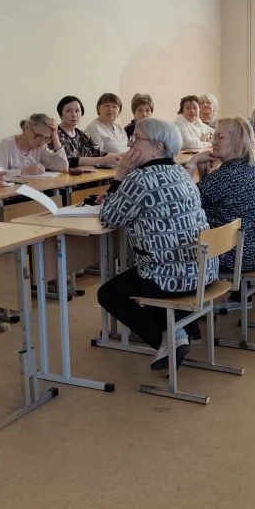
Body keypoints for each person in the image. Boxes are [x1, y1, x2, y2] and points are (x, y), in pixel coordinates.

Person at [97, 118, 215, 371]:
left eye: (136, 139)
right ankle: (183, 328)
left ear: (157, 148)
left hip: (172, 276)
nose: (130, 144)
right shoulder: (181, 172)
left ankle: (169, 340)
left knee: (109, 293)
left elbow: (109, 218)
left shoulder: (139, 178)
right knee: (143, 270)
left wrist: (120, 175)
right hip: (203, 269)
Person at [191, 117, 255, 273]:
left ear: (238, 143)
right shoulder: (252, 169)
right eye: (214, 136)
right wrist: (205, 175)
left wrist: (192, 163)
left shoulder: (225, 176)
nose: (214, 141)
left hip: (235, 258)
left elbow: (183, 202)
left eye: (220, 137)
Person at [56, 95, 120, 168]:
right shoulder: (55, 134)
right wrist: (103, 160)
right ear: (60, 114)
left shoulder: (82, 134)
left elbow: (99, 153)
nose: (74, 115)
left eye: (77, 111)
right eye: (68, 111)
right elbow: (68, 160)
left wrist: (120, 157)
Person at [0, 114, 68, 174]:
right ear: (27, 129)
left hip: (34, 187)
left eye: (47, 138)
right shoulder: (7, 144)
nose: (42, 141)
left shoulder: (41, 147)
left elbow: (62, 166)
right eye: (39, 136)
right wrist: (25, 171)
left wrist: (55, 136)